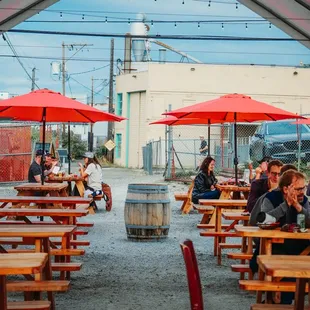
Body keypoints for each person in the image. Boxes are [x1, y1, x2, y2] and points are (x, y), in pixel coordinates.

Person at [250, 170, 310, 304]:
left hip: (298, 247)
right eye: (299, 189)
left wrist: (297, 206)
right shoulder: (270, 198)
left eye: (304, 188)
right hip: (276, 247)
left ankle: (281, 298)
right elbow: (263, 221)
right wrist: (286, 205)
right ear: (285, 188)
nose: (302, 192)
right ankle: (279, 299)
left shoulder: (302, 200)